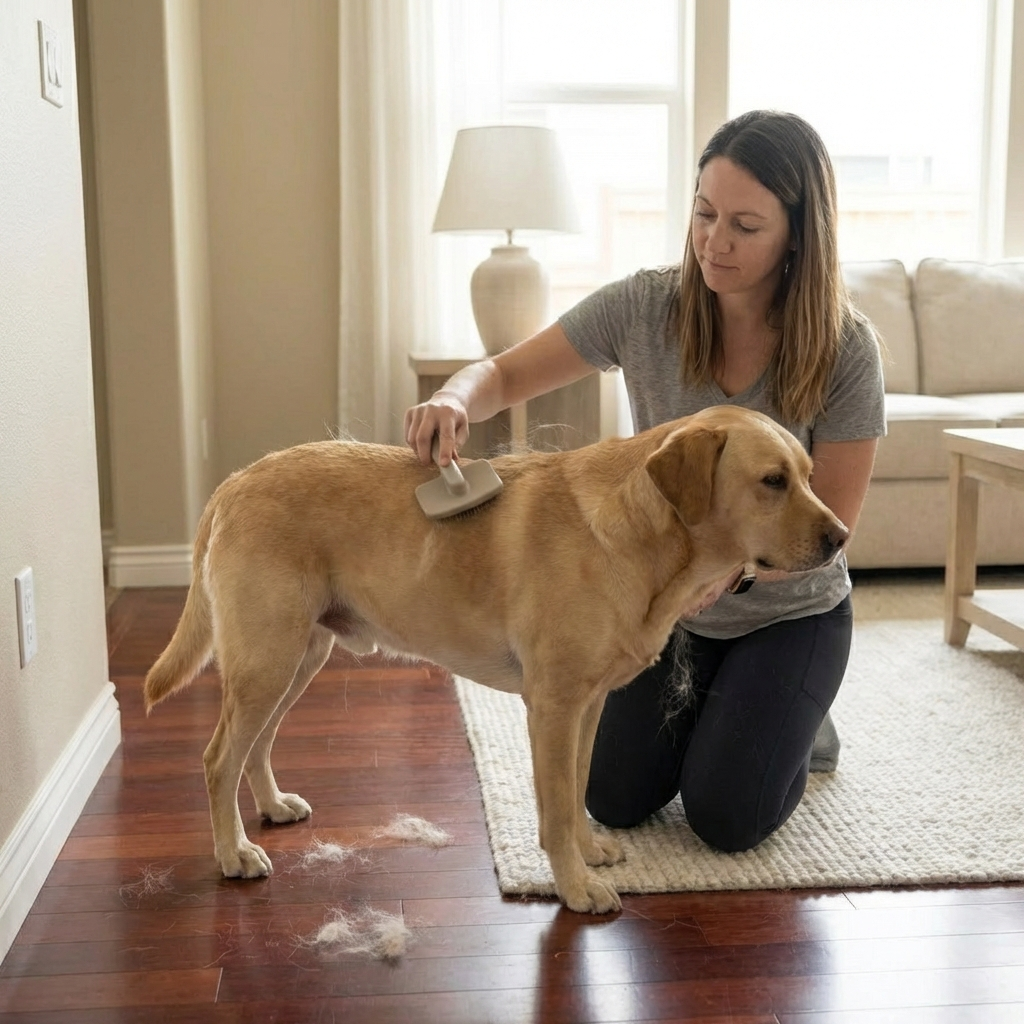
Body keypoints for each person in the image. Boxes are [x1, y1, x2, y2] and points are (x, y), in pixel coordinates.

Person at [404, 110, 885, 854]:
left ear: (798, 234)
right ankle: (724, 707)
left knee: (726, 815)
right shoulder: (646, 306)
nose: (714, 242)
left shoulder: (846, 349)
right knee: (615, 796)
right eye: (703, 213)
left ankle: (799, 719)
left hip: (789, 612)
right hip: (667, 613)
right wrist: (454, 398)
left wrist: (727, 575)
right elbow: (502, 372)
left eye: (745, 226)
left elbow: (827, 530)